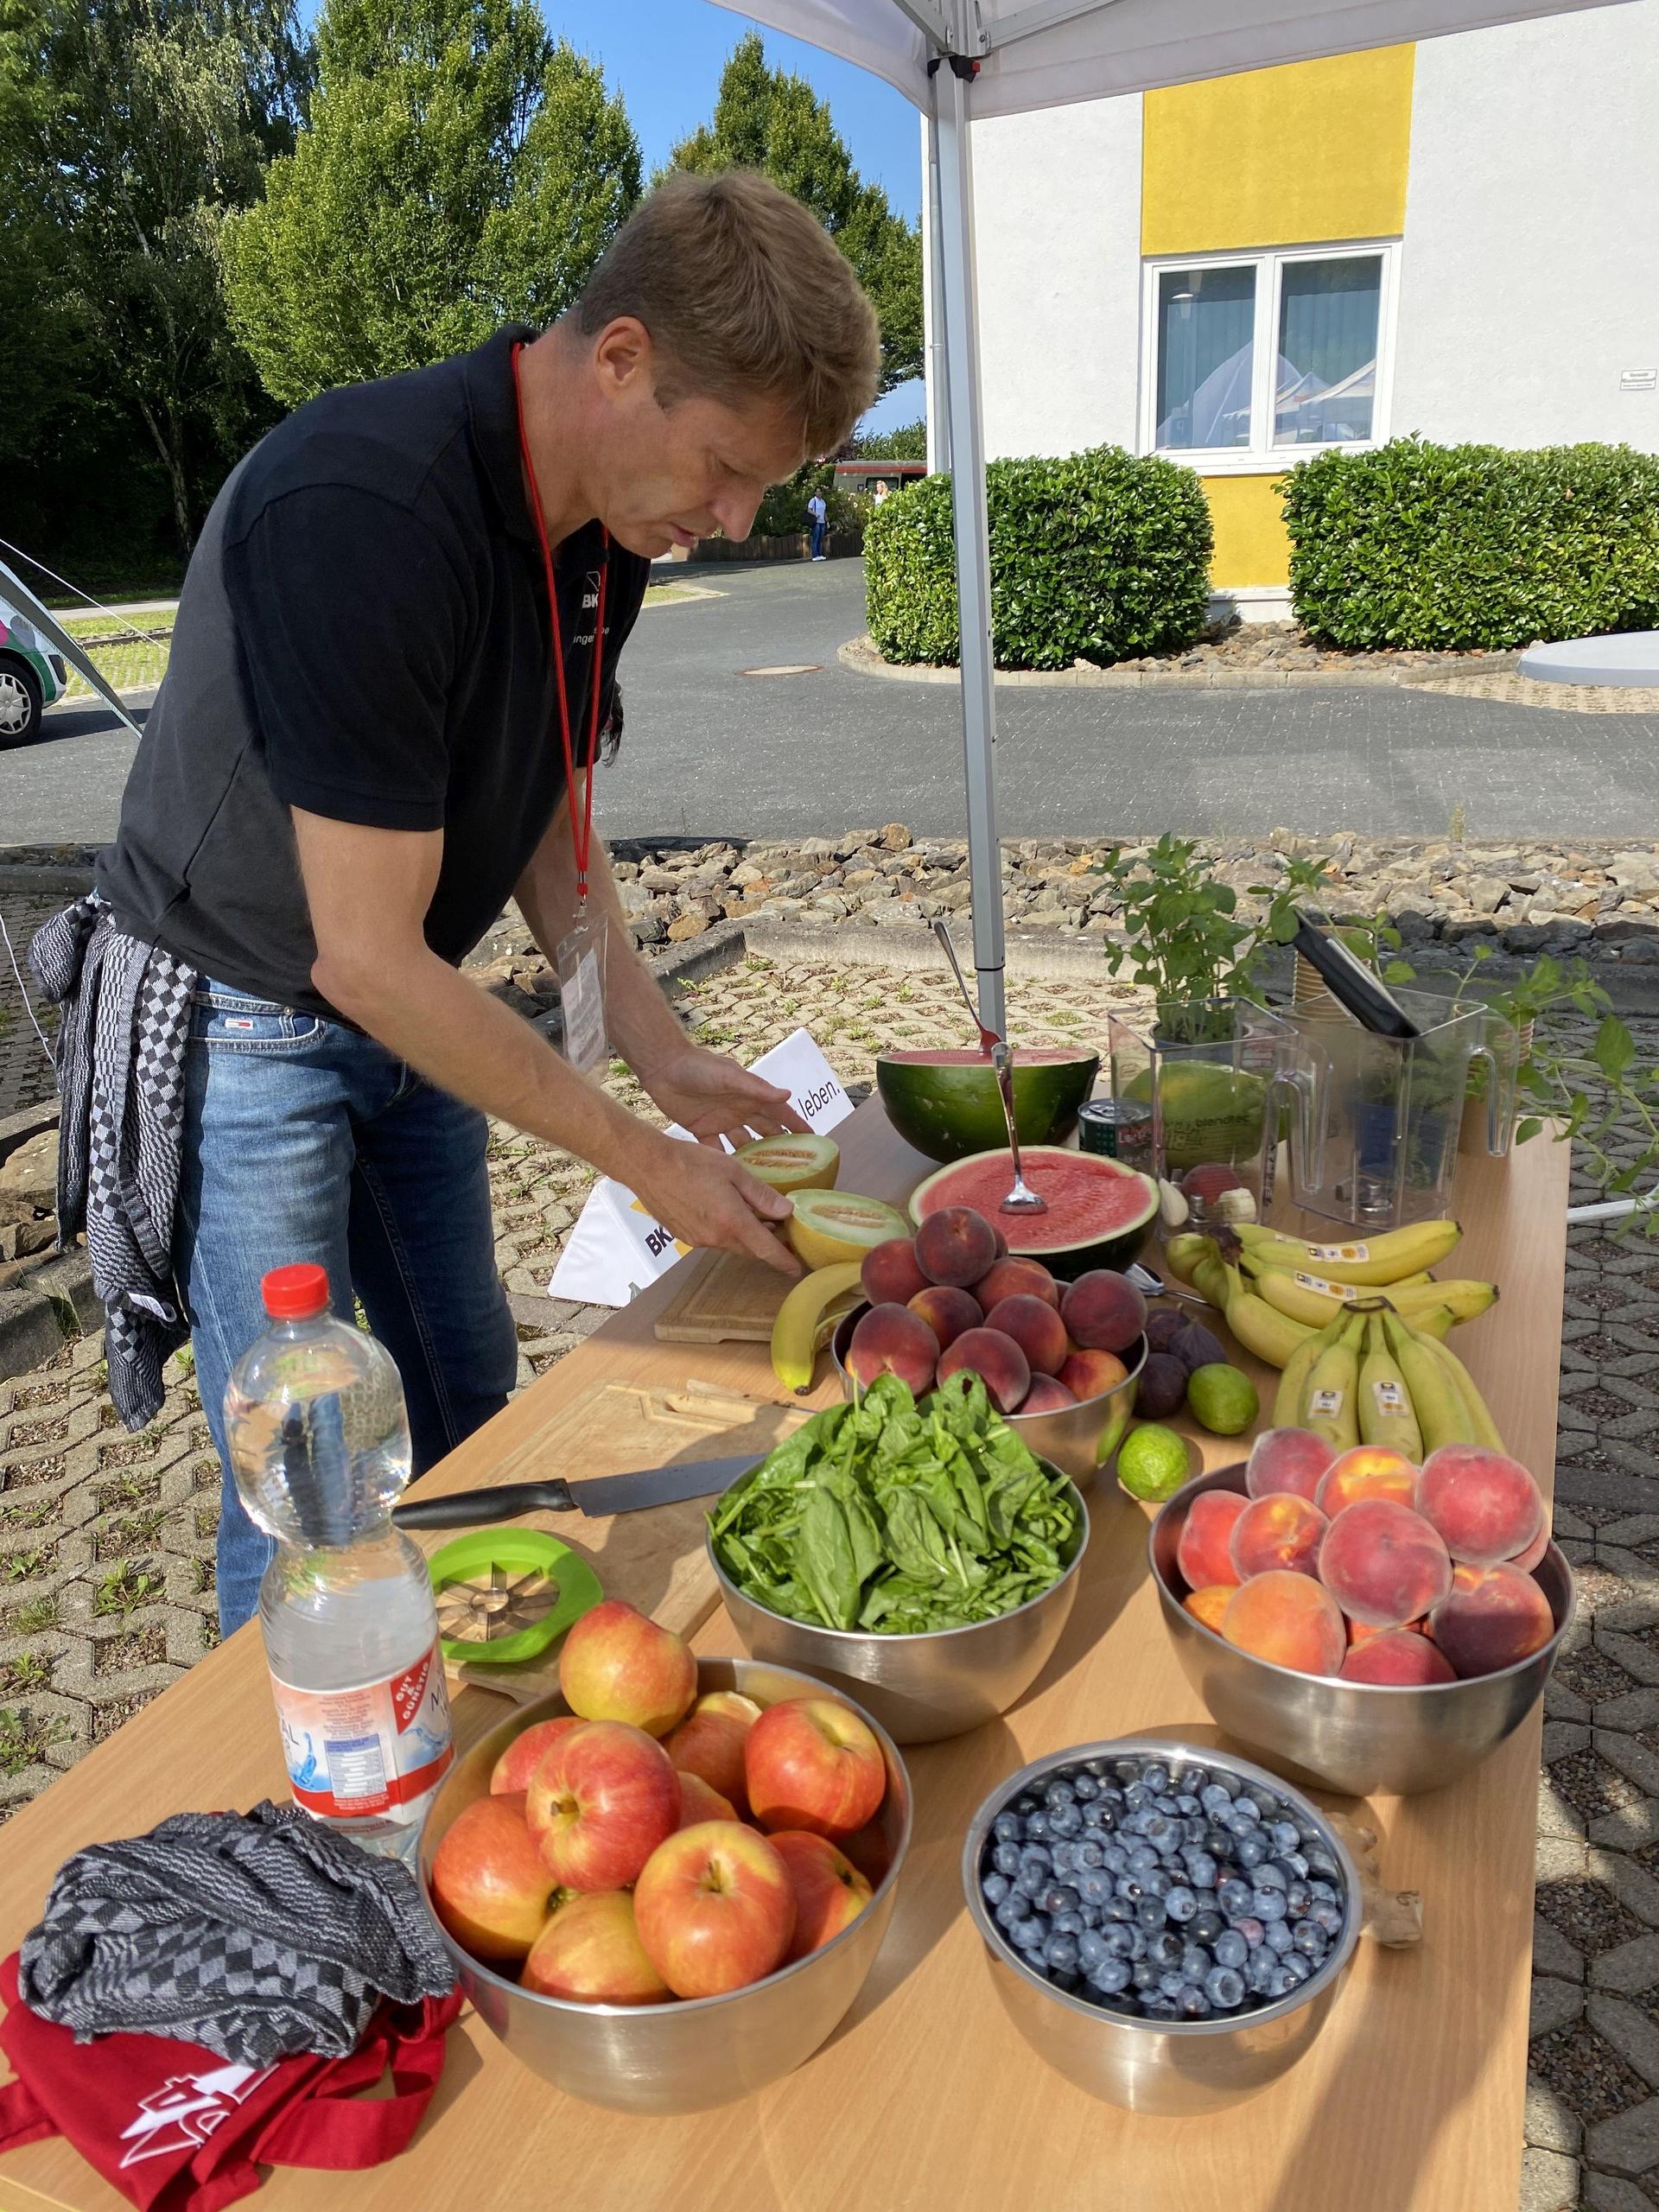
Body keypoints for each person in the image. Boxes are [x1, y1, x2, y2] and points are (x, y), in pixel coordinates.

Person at [52, 170, 881, 1637]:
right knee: (311, 1484)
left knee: (466, 1405)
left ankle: (473, 1704)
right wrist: (643, 1154)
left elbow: (551, 796)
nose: (739, 517)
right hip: (250, 1017)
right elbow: (362, 955)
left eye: (764, 484)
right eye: (724, 467)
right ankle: (285, 1833)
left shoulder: (608, 527)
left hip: (396, 1008)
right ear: (620, 360)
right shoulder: (366, 508)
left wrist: (654, 1038)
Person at [806, 486, 829, 560]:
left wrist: (827, 522)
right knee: (815, 538)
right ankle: (815, 555)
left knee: (820, 538)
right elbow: (809, 509)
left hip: (822, 522)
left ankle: (819, 554)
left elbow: (825, 512)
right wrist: (815, 514)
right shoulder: (813, 500)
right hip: (816, 522)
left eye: (820, 492)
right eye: (817, 491)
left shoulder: (823, 502)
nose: (819, 493)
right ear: (815, 493)